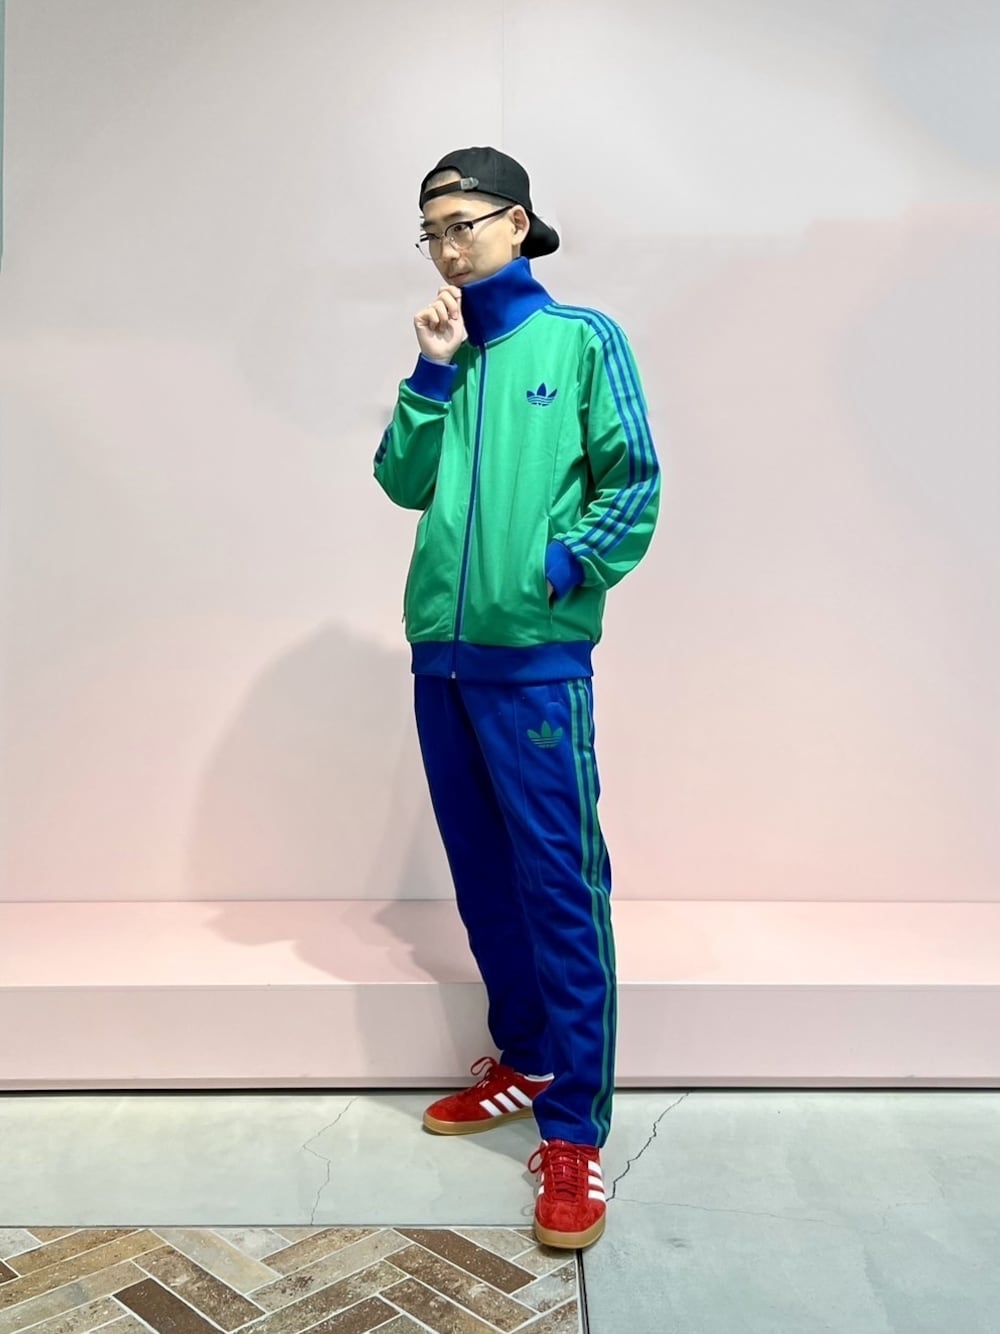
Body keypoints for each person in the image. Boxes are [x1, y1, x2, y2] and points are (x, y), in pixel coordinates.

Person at [373, 146, 660, 1249]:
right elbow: (401, 481)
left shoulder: (580, 339)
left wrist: (562, 563)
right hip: (440, 660)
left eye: (464, 221)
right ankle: (528, 1058)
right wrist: (430, 372)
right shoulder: (451, 351)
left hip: (533, 658)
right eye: (431, 229)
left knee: (558, 885)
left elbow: (632, 477)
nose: (448, 245)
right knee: (485, 881)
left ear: (518, 222)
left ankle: (574, 1127)